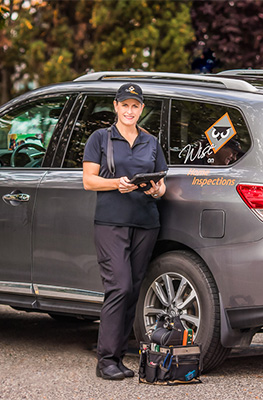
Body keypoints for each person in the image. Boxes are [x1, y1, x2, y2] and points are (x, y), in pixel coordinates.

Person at [82, 83, 167, 380]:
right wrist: (116, 183)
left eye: (135, 106)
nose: (130, 111)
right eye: (125, 105)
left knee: (131, 291)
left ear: (141, 109)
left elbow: (162, 182)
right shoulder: (100, 138)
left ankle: (119, 357)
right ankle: (105, 360)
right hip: (111, 222)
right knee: (118, 286)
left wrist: (157, 190)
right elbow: (89, 181)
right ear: (116, 107)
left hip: (146, 222)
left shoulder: (151, 142)